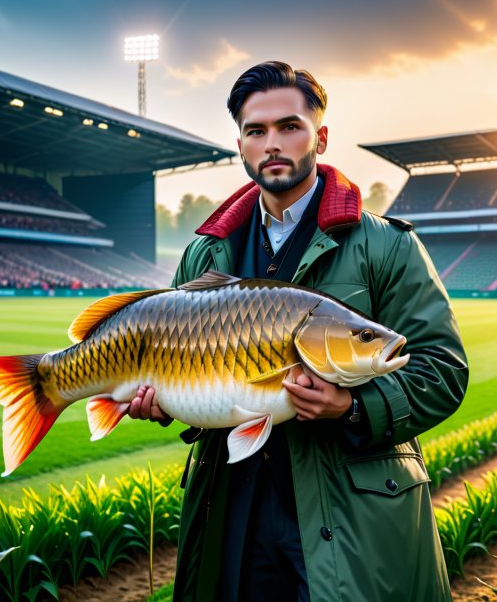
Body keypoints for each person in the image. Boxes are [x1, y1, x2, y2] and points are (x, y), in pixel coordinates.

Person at [128, 61, 468, 602]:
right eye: (256, 131)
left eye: (290, 127)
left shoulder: (387, 245)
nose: (272, 144)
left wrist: (353, 407)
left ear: (321, 137)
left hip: (347, 508)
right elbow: (184, 372)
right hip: (231, 503)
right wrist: (167, 402)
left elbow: (444, 370)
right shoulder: (202, 252)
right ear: (239, 144)